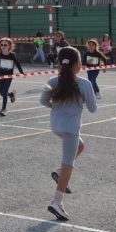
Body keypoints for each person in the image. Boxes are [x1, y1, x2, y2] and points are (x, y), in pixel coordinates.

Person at [39, 46, 97, 220]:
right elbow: (93, 108)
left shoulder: (52, 81)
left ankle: (58, 172)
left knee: (81, 145)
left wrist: (55, 106)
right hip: (70, 128)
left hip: (55, 125)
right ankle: (56, 202)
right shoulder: (84, 83)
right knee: (68, 165)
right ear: (78, 64)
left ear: (59, 63)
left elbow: (42, 101)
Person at [0, 38, 24, 116]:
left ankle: (4, 109)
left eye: (5, 45)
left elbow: (17, 63)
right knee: (2, 93)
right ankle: (11, 95)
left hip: (9, 76)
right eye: (1, 45)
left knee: (4, 92)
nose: (3, 46)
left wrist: (21, 72)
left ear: (9, 46)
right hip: (2, 75)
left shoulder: (12, 55)